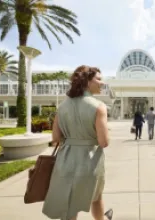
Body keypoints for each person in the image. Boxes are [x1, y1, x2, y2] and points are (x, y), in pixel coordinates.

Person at [42, 65, 113, 220]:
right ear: (87, 81)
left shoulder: (62, 107)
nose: (102, 83)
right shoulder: (99, 107)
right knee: (96, 196)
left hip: (65, 160)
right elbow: (104, 142)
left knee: (69, 202)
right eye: (99, 79)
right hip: (90, 161)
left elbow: (55, 139)